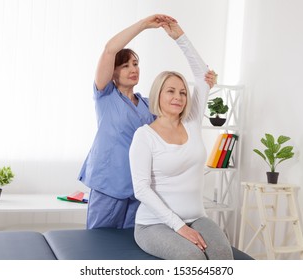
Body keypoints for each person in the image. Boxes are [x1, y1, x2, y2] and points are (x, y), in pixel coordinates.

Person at [78, 15, 218, 229]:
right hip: (109, 185)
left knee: (132, 249)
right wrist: (144, 25)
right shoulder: (105, 96)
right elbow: (109, 49)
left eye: (135, 64)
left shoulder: (148, 105)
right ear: (113, 72)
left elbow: (174, 117)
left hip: (141, 190)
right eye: (125, 66)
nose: (133, 69)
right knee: (100, 244)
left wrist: (205, 85)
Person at [129, 21, 234, 259]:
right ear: (158, 94)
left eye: (183, 92)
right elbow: (141, 190)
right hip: (153, 224)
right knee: (193, 259)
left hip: (198, 217)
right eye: (171, 91)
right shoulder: (144, 136)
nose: (178, 97)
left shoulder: (192, 121)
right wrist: (179, 226)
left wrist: (180, 37)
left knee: (223, 256)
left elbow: (201, 74)